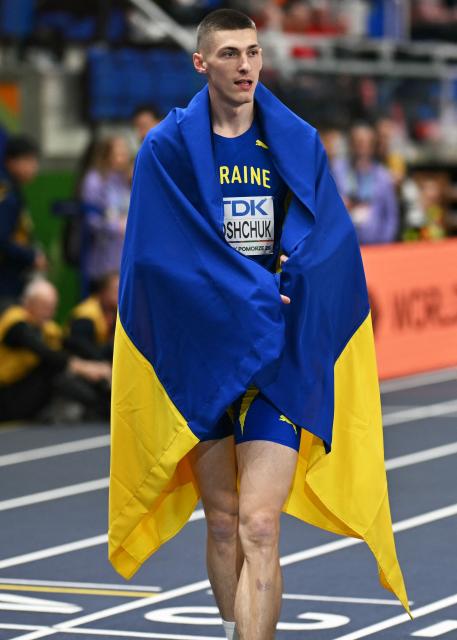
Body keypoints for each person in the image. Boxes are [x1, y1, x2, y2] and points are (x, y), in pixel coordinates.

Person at [108, 10, 409, 640]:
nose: (244, 66)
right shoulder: (168, 150)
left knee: (260, 524)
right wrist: (248, 294)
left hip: (277, 353)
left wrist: (296, 283)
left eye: (252, 53)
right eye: (228, 55)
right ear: (201, 64)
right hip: (206, 351)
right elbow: (156, 257)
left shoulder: (295, 141)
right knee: (221, 519)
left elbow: (330, 240)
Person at [0, 278, 111, 422]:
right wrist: (85, 368)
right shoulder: (16, 325)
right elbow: (45, 353)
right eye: (45, 307)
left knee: (71, 358)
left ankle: (106, 399)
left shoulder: (43, 325)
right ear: (29, 304)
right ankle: (99, 408)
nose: (50, 313)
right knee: (54, 366)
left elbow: (69, 343)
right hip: (6, 395)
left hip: (20, 390)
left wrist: (101, 364)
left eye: (53, 307)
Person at [332, 123, 399, 244]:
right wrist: (339, 203)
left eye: (365, 143)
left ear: (372, 146)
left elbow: (391, 216)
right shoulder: (338, 170)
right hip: (344, 244)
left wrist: (385, 242)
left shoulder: (382, 176)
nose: (361, 147)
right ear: (350, 144)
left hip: (376, 245)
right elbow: (327, 205)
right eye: (357, 142)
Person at [79, 136, 131, 287]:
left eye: (124, 154)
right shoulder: (94, 180)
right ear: (107, 156)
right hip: (102, 257)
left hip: (123, 257)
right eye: (118, 154)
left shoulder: (125, 179)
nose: (123, 159)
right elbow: (91, 219)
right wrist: (116, 226)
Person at [0, 136, 47, 301]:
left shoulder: (12, 188)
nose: (34, 167)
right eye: (30, 160)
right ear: (13, 162)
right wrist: (31, 256)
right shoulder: (6, 195)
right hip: (5, 277)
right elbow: (2, 239)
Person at [65, 271, 118, 361]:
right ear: (103, 292)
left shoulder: (113, 312)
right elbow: (82, 351)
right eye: (117, 290)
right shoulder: (85, 315)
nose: (122, 295)